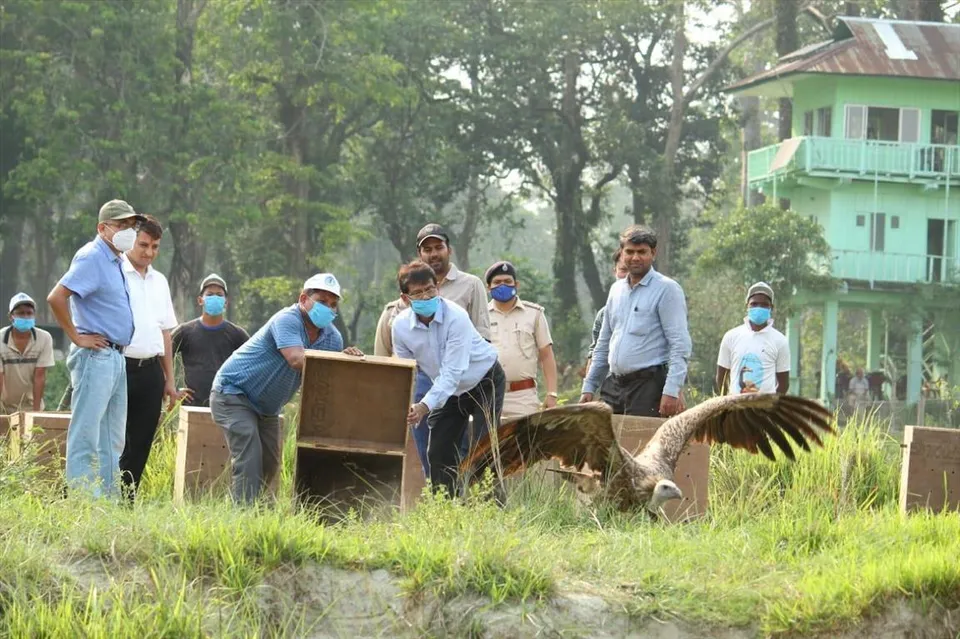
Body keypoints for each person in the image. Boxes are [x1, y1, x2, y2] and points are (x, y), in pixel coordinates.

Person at [210, 273, 364, 504]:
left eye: (333, 305)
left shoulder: (333, 338)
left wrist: (346, 361)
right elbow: (296, 359)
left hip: (267, 408)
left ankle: (253, 511)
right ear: (303, 299)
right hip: (233, 393)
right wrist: (337, 362)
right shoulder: (287, 319)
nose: (328, 308)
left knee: (269, 464)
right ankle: (241, 514)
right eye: (322, 301)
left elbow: (324, 379)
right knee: (249, 457)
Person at [374, 223, 490, 476]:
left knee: (474, 446)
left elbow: (481, 335)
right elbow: (398, 360)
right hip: (427, 376)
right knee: (432, 446)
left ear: (449, 249)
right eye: (428, 249)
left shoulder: (469, 286)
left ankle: (476, 493)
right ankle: (439, 494)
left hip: (468, 372)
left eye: (439, 247)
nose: (434, 253)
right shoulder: (401, 305)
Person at [47, 199, 143, 497]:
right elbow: (56, 297)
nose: (128, 231)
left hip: (115, 356)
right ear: (103, 228)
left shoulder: (116, 260)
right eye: (121, 225)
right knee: (86, 433)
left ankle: (107, 500)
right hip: (95, 355)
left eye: (131, 225)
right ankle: (81, 498)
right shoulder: (92, 256)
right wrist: (77, 337)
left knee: (111, 438)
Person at [390, 260, 505, 498]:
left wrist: (424, 406)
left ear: (438, 288)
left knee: (483, 449)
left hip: (484, 381)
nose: (426, 296)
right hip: (448, 392)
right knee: (438, 452)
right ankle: (446, 507)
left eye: (430, 289)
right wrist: (405, 405)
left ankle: (491, 506)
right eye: (418, 293)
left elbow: (453, 372)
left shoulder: (456, 317)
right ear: (405, 299)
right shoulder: (400, 327)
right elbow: (407, 371)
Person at [580, 225, 691, 418]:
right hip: (614, 385)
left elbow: (680, 345)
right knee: (605, 436)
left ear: (653, 253)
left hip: (648, 386)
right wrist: (589, 387)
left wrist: (671, 390)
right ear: (622, 253)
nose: (635, 257)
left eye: (642, 252)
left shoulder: (667, 289)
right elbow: (603, 344)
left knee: (641, 438)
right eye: (630, 252)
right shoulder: (616, 291)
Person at [118, 215, 184, 500]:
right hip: (119, 365)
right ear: (131, 241)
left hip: (150, 370)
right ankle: (101, 496)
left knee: (142, 439)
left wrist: (169, 380)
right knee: (113, 437)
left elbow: (165, 333)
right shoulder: (116, 272)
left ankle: (127, 500)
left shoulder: (160, 281)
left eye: (155, 247)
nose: (149, 252)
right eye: (143, 245)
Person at [485, 260, 558, 418]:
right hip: (488, 395)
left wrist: (552, 393)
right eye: (497, 282)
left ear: (516, 284)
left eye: (507, 281)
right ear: (488, 287)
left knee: (526, 434)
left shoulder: (534, 314)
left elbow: (546, 355)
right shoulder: (480, 316)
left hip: (524, 397)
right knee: (488, 435)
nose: (502, 285)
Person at [172, 274, 249, 407]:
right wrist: (173, 389)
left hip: (227, 407)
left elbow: (254, 363)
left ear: (226, 302)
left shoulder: (237, 334)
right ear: (200, 300)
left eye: (219, 295)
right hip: (193, 406)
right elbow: (163, 356)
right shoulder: (185, 331)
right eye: (210, 294)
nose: (215, 298)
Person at [715, 282, 790, 396]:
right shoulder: (731, 337)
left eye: (764, 305)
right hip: (735, 405)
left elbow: (783, 384)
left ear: (771, 308)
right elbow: (721, 378)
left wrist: (770, 404)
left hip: (765, 406)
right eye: (754, 304)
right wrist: (728, 403)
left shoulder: (780, 341)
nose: (758, 308)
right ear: (747, 306)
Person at [0, 293, 55, 414]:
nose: (25, 317)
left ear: (34, 315)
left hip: (31, 405)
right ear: (11, 317)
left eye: (29, 313)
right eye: (20, 313)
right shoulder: (1, 339)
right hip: (5, 407)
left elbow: (39, 376)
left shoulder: (44, 338)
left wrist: (36, 413)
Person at [585, 249, 628, 372]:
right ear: (615, 272)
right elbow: (595, 354)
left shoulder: (655, 309)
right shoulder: (604, 314)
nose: (628, 276)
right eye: (623, 270)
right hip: (612, 380)